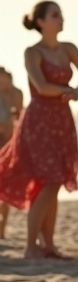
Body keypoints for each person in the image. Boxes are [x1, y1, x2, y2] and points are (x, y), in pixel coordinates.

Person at [0, 1, 78, 258]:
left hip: (61, 119)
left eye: (61, 14)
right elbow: (41, 87)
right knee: (48, 181)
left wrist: (77, 90)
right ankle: (31, 246)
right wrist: (67, 90)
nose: (60, 19)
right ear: (40, 22)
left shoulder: (69, 48)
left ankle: (48, 244)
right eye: (55, 15)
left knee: (56, 181)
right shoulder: (33, 52)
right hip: (39, 119)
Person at [0, 68, 24, 239]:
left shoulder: (16, 93)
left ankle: (1, 230)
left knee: (5, 188)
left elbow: (20, 115)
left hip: (9, 143)